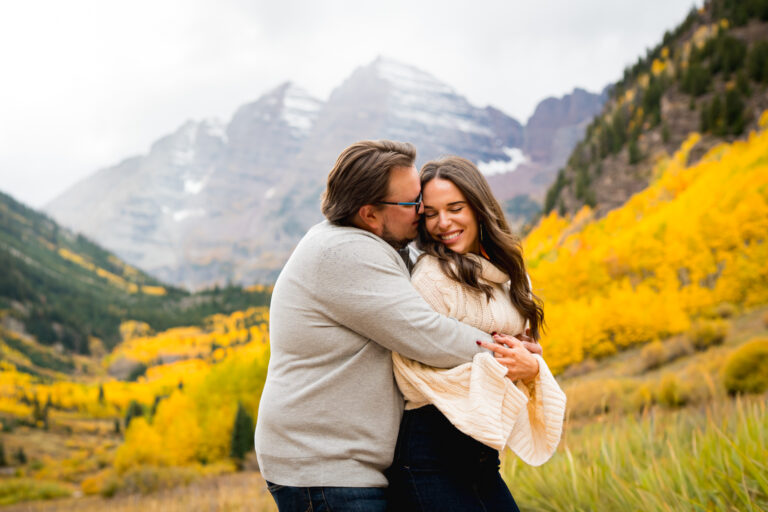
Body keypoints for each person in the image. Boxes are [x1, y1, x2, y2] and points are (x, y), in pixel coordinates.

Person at [254, 140, 537, 512]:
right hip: (325, 468)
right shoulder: (346, 252)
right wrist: (508, 350)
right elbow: (428, 335)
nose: (422, 213)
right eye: (413, 203)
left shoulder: (377, 243)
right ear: (370, 214)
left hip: (348, 461)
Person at [388, 156, 567, 511]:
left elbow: (526, 353)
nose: (444, 223)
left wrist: (529, 367)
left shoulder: (507, 274)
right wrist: (500, 365)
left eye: (456, 208)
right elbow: (410, 370)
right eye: (432, 214)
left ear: (479, 207)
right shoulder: (431, 280)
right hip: (428, 455)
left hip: (482, 456)